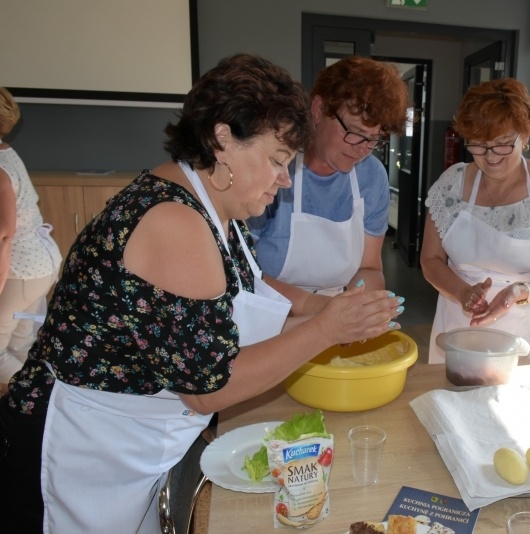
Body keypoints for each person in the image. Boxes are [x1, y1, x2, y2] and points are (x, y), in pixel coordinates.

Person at [0, 54, 403, 533]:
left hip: (130, 446)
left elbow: (221, 325)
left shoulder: (210, 209)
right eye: (277, 161)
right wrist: (325, 328)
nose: (284, 179)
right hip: (79, 450)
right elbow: (209, 387)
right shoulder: (174, 221)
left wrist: (329, 317)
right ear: (222, 138)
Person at [420, 78, 530, 366]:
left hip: (525, 332)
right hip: (459, 324)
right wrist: (463, 292)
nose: (490, 157)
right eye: (479, 146)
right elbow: (431, 259)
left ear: (524, 135)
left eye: (502, 145)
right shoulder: (452, 185)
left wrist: (519, 292)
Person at [247, 56, 408, 297]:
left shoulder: (372, 176)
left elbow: (370, 269)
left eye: (375, 138)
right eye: (356, 132)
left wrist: (360, 307)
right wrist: (321, 313)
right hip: (269, 311)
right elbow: (243, 271)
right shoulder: (278, 165)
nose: (364, 148)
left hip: (336, 311)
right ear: (318, 109)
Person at [0, 88, 62, 397]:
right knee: (22, 342)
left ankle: (43, 395)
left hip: (22, 270)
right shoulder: (6, 151)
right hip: (40, 265)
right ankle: (37, 404)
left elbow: (4, 233)